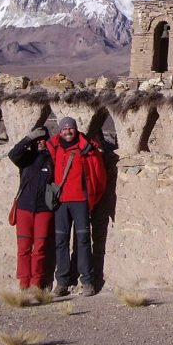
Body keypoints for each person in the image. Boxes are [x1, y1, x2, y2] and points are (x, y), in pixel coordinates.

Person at [48, 117, 107, 296]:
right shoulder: (54, 147)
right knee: (60, 241)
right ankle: (62, 282)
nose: (68, 132)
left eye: (70, 128)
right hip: (61, 203)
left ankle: (87, 281)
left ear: (76, 129)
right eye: (64, 129)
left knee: (83, 241)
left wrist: (94, 197)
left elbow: (99, 175)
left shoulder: (86, 149)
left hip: (80, 201)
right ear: (60, 131)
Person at [6, 126, 56, 290]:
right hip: (24, 207)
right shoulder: (26, 158)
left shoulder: (51, 159)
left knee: (40, 248)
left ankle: (36, 283)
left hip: (44, 209)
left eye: (43, 139)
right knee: (24, 247)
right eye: (37, 139)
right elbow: (13, 155)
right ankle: (24, 283)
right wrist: (29, 138)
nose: (40, 142)